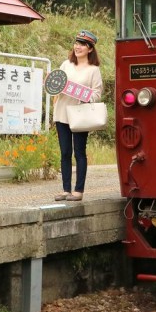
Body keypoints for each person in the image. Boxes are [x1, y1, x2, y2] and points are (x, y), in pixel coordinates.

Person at [52, 30, 104, 202]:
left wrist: (82, 94)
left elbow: (97, 94)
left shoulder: (93, 70)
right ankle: (66, 189)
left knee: (79, 153)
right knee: (65, 152)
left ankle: (78, 191)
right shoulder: (66, 64)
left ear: (90, 49)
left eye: (82, 44)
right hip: (62, 113)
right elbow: (55, 84)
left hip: (80, 116)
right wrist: (53, 86)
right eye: (76, 43)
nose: (77, 47)